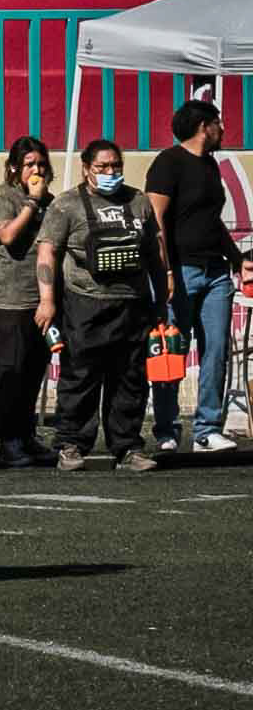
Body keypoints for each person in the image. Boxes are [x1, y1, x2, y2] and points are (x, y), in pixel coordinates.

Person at [34, 139, 166, 472]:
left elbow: (155, 251)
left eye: (115, 166)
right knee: (80, 376)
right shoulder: (66, 205)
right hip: (84, 303)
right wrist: (47, 300)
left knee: (131, 378)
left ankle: (128, 447)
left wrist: (162, 295)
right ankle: (70, 445)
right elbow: (48, 252)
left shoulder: (138, 201)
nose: (110, 172)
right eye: (102, 167)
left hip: (132, 304)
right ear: (86, 169)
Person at [145, 100, 241, 454]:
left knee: (216, 350)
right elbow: (155, 219)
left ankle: (207, 429)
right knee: (172, 350)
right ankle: (166, 429)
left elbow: (211, 220)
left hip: (215, 272)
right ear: (204, 126)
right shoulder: (167, 163)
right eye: (218, 123)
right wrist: (166, 271)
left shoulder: (211, 165)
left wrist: (237, 259)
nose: (223, 129)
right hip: (181, 272)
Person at [0, 136, 62, 467]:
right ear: (15, 167)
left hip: (41, 299)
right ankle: (8, 439)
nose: (37, 170)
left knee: (32, 371)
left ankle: (27, 433)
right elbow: (7, 235)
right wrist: (31, 201)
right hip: (9, 300)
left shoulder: (52, 202)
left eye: (41, 164)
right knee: (10, 371)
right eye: (30, 164)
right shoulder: (2, 196)